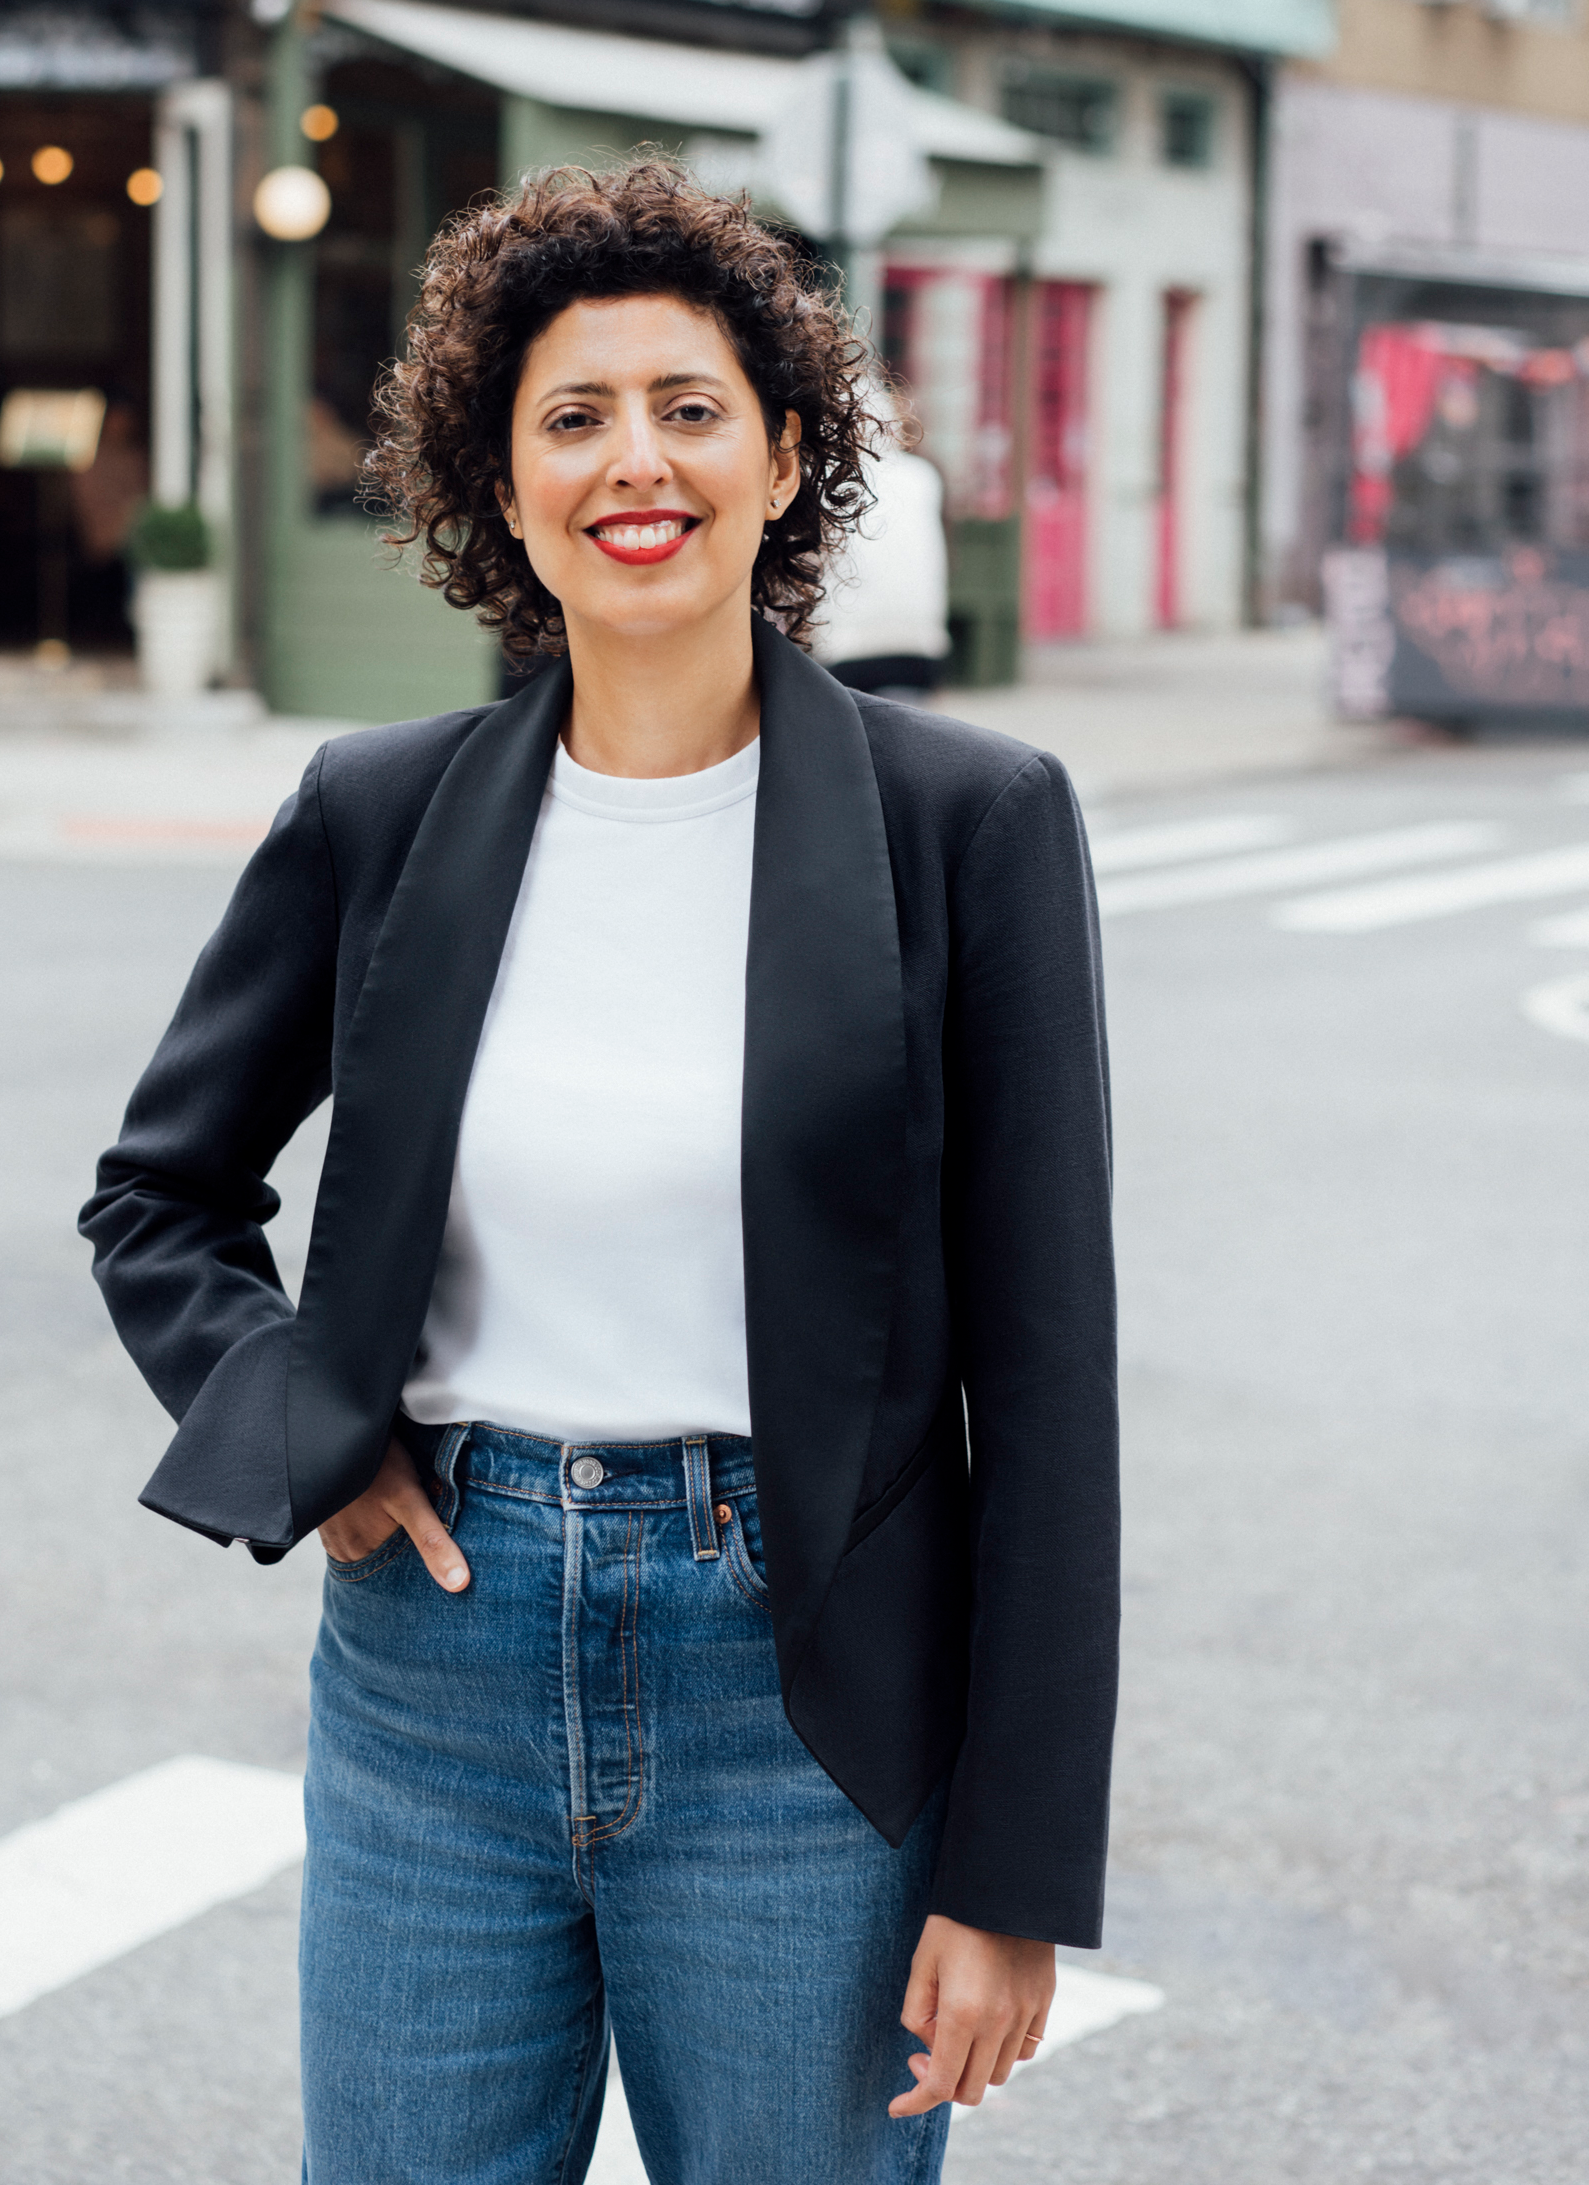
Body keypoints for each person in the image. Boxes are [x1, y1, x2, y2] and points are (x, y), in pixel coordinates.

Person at [81, 162, 1117, 2185]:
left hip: (801, 1707)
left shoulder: (964, 822)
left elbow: (1047, 1375)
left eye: (688, 404)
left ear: (784, 452)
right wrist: (309, 1422)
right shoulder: (379, 814)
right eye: (571, 415)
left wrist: (1011, 1871)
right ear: (499, 482)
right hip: (433, 1688)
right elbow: (160, 1190)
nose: (631, 460)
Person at [814, 403, 951, 702]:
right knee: (905, 742)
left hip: (845, 644)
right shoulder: (924, 476)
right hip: (917, 641)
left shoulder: (827, 475)